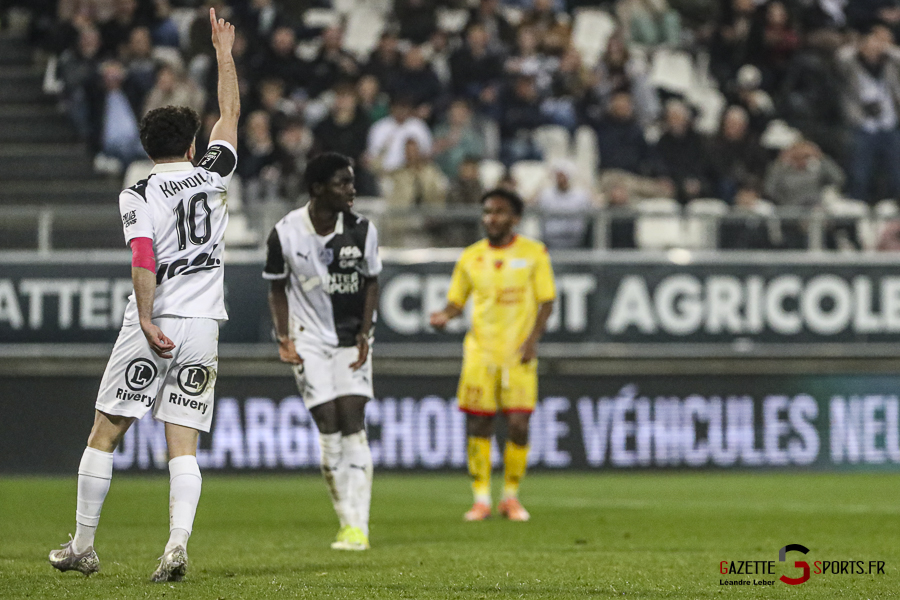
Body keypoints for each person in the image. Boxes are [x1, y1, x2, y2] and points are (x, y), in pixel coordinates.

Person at [48, 8, 239, 583]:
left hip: (153, 324)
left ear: (147, 143)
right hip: (204, 324)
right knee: (182, 442)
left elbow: (143, 258)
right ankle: (176, 546)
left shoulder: (136, 194)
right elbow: (230, 112)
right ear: (191, 145)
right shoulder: (213, 174)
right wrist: (223, 54)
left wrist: (149, 318)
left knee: (105, 431)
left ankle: (82, 546)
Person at [264, 152, 381, 551]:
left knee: (353, 420)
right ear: (317, 189)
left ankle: (357, 525)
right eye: (342, 183)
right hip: (308, 339)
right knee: (328, 424)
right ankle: (346, 519)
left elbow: (371, 282)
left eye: (351, 181)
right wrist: (284, 338)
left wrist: (366, 332)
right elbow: (277, 287)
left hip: (352, 340)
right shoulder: (284, 233)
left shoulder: (363, 230)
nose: (352, 189)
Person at [429, 188, 556, 522]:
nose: (491, 218)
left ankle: (510, 497)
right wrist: (445, 315)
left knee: (518, 424)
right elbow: (457, 300)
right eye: (487, 212)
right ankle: (481, 498)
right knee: (479, 422)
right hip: (480, 352)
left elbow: (547, 301)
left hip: (518, 352)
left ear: (514, 218)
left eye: (499, 212)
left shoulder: (534, 253)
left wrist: (533, 340)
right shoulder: (471, 256)